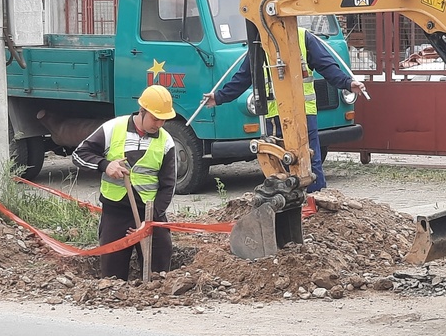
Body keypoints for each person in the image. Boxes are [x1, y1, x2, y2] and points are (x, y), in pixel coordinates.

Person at [203, 27, 365, 193]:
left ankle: (315, 202)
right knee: (283, 163)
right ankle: (294, 203)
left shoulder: (302, 37)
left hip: (301, 114)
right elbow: (245, 76)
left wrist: (347, 83)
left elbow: (327, 66)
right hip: (276, 116)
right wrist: (220, 97)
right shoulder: (261, 42)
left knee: (309, 159)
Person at [72, 85, 177, 280]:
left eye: (163, 119)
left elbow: (168, 186)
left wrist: (150, 220)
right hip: (116, 213)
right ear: (142, 111)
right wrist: (105, 165)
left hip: (149, 214)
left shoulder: (166, 142)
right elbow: (79, 155)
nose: (159, 124)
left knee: (159, 273)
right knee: (112, 277)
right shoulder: (113, 129)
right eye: (155, 118)